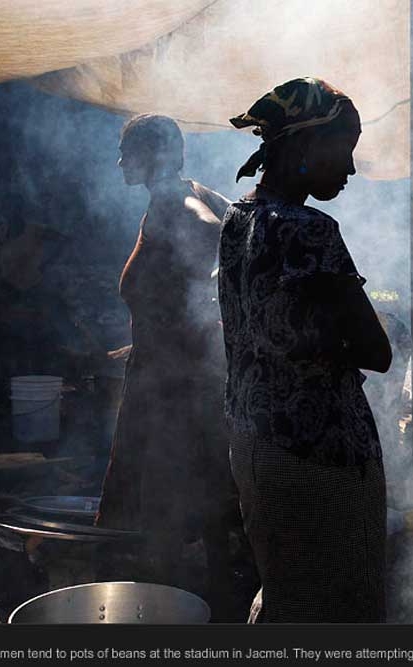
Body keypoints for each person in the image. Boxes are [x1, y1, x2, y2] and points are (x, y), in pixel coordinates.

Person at [219, 77, 392, 623]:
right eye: (344, 151)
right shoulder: (310, 230)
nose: (350, 169)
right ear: (305, 145)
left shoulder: (237, 217)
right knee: (338, 602)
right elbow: (376, 351)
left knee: (286, 592)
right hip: (320, 453)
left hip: (254, 440)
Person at [95, 114, 244, 621]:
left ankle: (165, 618)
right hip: (180, 377)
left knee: (170, 511)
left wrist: (200, 329)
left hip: (174, 394)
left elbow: (215, 235)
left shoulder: (175, 201)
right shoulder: (192, 192)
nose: (118, 163)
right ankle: (208, 606)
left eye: (126, 151)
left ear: (153, 156)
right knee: (207, 509)